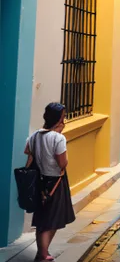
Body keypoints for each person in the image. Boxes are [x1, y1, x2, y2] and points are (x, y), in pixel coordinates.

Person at [25, 102, 75, 261]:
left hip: (39, 180)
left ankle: (42, 252)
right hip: (55, 181)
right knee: (52, 219)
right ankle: (43, 254)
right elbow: (63, 163)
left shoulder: (33, 136)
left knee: (41, 218)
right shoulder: (58, 138)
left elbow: (28, 152)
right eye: (63, 117)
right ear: (59, 119)